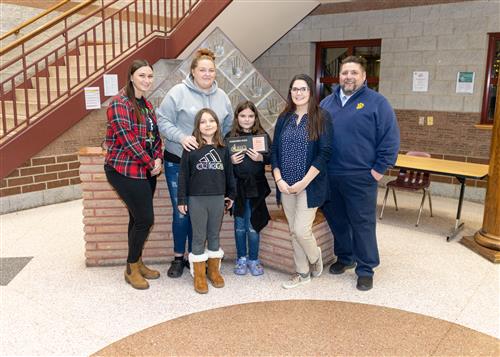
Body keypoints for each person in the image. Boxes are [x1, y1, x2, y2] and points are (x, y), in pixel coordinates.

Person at [320, 56, 400, 291]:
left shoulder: (377, 103)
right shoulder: (326, 103)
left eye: (354, 73)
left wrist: (377, 171)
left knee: (362, 223)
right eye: (345, 72)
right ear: (339, 76)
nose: (349, 77)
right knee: (338, 221)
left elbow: (390, 139)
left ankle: (365, 268)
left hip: (361, 176)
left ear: (364, 77)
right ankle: (345, 257)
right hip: (331, 176)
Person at [157, 48, 233, 278]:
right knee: (182, 212)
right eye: (202, 69)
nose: (207, 74)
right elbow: (162, 120)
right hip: (178, 162)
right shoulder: (178, 92)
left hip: (207, 168)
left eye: (211, 70)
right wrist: (181, 137)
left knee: (201, 214)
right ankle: (179, 257)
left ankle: (196, 256)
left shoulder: (223, 97)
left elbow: (226, 127)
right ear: (193, 71)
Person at [104, 59, 163, 290]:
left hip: (146, 169)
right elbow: (128, 140)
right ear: (130, 77)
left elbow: (155, 136)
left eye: (150, 76)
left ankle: (138, 262)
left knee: (137, 218)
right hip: (124, 169)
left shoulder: (147, 105)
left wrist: (158, 157)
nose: (147, 80)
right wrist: (151, 162)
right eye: (142, 76)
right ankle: (131, 267)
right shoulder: (119, 104)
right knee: (146, 219)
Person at [271, 74, 333, 289]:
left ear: (310, 92)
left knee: (301, 230)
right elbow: (274, 151)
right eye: (294, 89)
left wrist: (304, 182)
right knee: (292, 231)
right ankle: (302, 272)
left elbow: (325, 152)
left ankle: (315, 258)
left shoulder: (321, 117)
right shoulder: (284, 118)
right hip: (285, 184)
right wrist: (278, 178)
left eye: (303, 89)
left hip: (309, 184)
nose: (298, 93)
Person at [177, 108, 235, 294]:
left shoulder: (224, 149)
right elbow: (183, 176)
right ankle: (199, 275)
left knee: (214, 235)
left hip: (218, 198)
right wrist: (182, 199)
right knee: (199, 237)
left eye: (211, 120)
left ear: (217, 124)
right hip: (196, 199)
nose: (208, 124)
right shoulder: (191, 149)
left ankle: (214, 272)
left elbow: (229, 174)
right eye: (203, 121)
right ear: (197, 126)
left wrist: (231, 195)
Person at [226, 101, 271, 276]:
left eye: (250, 116)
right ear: (237, 117)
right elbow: (221, 162)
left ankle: (253, 259)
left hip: (256, 189)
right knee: (239, 226)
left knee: (253, 226)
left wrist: (261, 158)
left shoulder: (262, 135)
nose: (247, 119)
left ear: (255, 118)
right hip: (237, 189)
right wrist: (230, 161)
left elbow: (272, 156)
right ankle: (241, 259)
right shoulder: (229, 136)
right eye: (243, 116)